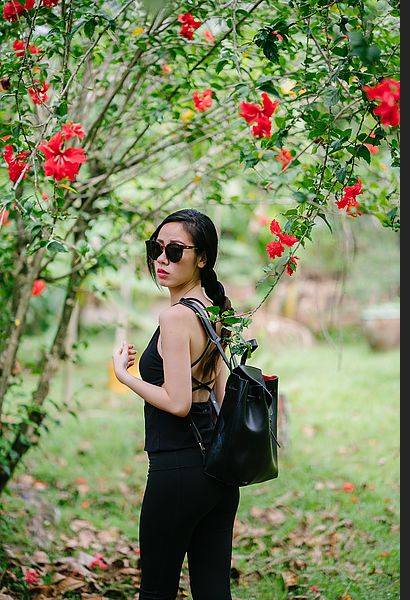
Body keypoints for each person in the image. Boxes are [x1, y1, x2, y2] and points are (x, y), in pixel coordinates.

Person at [112, 208, 240, 600]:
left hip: (178, 470)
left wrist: (125, 376)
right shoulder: (214, 310)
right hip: (218, 473)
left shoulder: (175, 318)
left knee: (156, 591)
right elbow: (220, 395)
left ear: (202, 258)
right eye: (157, 248)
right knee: (213, 590)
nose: (162, 259)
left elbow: (179, 402)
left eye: (174, 250)